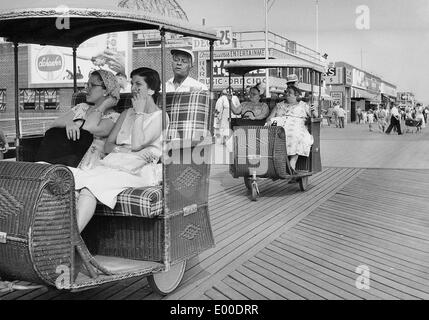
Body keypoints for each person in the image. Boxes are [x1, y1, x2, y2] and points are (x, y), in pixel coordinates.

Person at [70, 67, 167, 232]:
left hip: (139, 171)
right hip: (114, 163)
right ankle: (60, 236)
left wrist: (139, 113)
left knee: (89, 186)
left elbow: (137, 144)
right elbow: (108, 146)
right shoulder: (126, 113)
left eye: (139, 84)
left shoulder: (161, 117)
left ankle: (68, 242)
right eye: (132, 84)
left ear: (151, 89)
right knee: (73, 181)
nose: (134, 88)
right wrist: (124, 151)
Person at [35, 70, 121, 167]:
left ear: (106, 91)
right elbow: (53, 125)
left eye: (92, 85)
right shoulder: (82, 107)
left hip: (89, 164)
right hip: (65, 157)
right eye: (87, 85)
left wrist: (103, 105)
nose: (86, 89)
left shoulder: (114, 117)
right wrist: (69, 123)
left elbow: (89, 129)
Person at [265, 85, 316, 172]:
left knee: (295, 136)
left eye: (290, 92)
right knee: (270, 136)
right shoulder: (279, 105)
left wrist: (314, 110)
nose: (287, 94)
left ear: (296, 95)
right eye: (286, 92)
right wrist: (269, 121)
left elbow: (314, 116)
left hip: (296, 126)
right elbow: (269, 118)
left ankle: (292, 164)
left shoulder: (303, 105)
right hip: (280, 126)